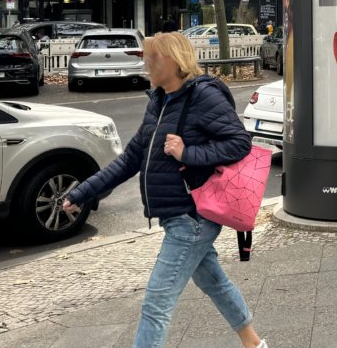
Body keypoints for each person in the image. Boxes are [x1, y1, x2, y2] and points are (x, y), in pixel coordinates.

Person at [62, 32, 264, 348]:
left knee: (156, 302)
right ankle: (254, 344)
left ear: (172, 59)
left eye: (152, 57)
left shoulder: (202, 96)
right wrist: (81, 193)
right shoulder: (159, 101)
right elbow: (130, 158)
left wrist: (188, 154)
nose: (146, 63)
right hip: (176, 216)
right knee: (215, 283)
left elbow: (239, 142)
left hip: (192, 217)